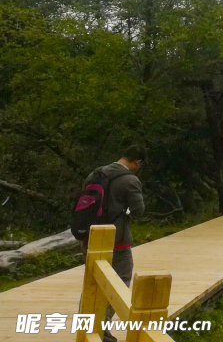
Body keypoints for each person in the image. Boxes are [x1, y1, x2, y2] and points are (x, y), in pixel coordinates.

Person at [85, 146, 146, 342]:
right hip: (117, 241)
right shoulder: (130, 180)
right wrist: (125, 210)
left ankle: (87, 328)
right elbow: (138, 211)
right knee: (119, 282)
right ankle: (102, 331)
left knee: (92, 283)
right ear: (138, 162)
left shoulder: (95, 173)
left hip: (91, 238)